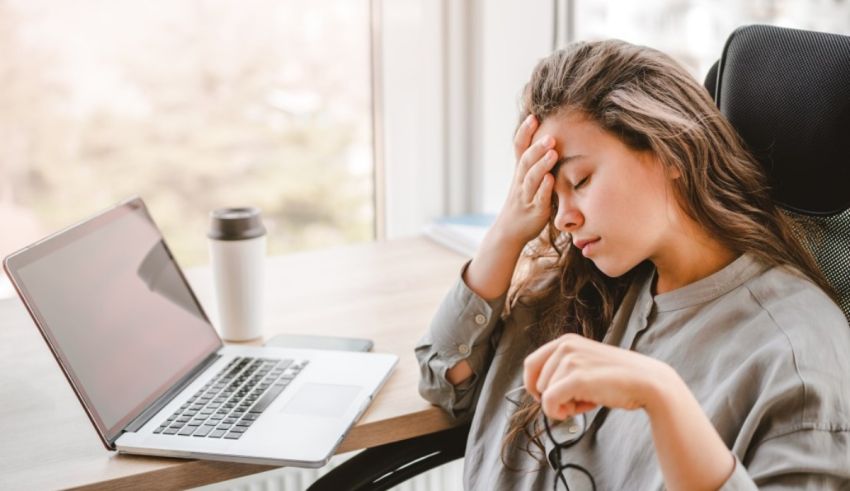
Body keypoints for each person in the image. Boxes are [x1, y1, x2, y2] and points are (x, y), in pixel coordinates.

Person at [415, 39, 850, 490]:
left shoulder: (795, 353)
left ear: (671, 150)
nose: (563, 217)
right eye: (551, 191)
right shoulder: (581, 287)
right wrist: (506, 231)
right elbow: (444, 380)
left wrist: (663, 399)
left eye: (580, 180)